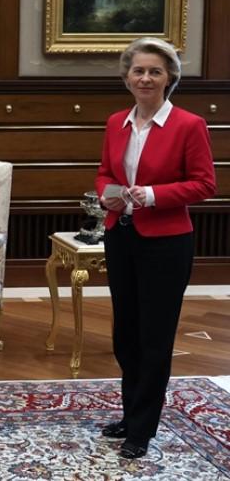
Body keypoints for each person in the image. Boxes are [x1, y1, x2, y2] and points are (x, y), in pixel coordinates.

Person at [96, 37, 216, 459]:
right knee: (125, 334)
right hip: (121, 235)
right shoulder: (115, 122)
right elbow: (105, 172)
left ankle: (142, 429)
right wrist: (107, 193)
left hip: (166, 244)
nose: (145, 78)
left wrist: (151, 195)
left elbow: (205, 184)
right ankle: (132, 413)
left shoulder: (188, 125)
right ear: (127, 78)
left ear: (170, 79)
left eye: (155, 71)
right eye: (138, 71)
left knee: (154, 337)